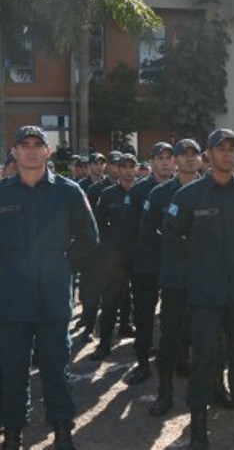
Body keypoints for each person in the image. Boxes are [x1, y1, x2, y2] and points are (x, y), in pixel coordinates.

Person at [162, 128, 234, 450]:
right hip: (204, 295)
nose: (226, 153)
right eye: (220, 148)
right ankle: (198, 432)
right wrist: (197, 272)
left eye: (232, 148)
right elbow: (171, 240)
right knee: (203, 361)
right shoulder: (188, 196)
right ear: (208, 154)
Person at [0, 126, 98, 450]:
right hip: (11, 300)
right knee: (12, 370)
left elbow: (89, 238)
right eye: (23, 145)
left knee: (57, 368)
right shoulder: (3, 194)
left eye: (37, 145)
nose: (30, 150)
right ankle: (13, 431)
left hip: (53, 298)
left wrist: (65, 266)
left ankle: (62, 429)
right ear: (13, 152)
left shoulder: (68, 192)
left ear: (47, 151)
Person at [143, 139, 202, 418]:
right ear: (175, 160)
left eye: (194, 154)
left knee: (208, 337)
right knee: (170, 335)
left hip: (206, 277)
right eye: (183, 154)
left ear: (202, 158)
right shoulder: (159, 194)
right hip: (175, 278)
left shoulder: (213, 191)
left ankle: (212, 387)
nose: (189, 159)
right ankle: (164, 392)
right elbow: (149, 236)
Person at [125, 142, 175, 384]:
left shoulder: (182, 189)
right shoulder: (138, 191)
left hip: (175, 263)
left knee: (174, 315)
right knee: (144, 315)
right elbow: (131, 230)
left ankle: (177, 358)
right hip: (146, 264)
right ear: (152, 161)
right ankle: (143, 362)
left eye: (169, 157)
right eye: (160, 158)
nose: (165, 162)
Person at [88, 153, 139, 361]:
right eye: (123, 166)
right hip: (115, 258)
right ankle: (104, 344)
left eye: (131, 166)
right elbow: (98, 223)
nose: (127, 170)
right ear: (117, 169)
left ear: (136, 169)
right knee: (109, 302)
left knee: (142, 302)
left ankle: (141, 345)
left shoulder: (144, 192)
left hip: (140, 256)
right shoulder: (108, 194)